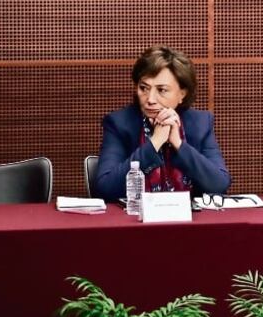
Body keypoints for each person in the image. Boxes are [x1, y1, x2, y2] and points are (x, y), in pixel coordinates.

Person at [95, 46, 231, 201]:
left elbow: (219, 184)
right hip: (136, 219)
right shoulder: (119, 123)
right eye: (143, 88)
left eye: (162, 90)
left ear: (182, 94)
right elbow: (105, 188)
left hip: (189, 221)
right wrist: (154, 143)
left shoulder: (200, 123)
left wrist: (179, 145)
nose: (150, 99)